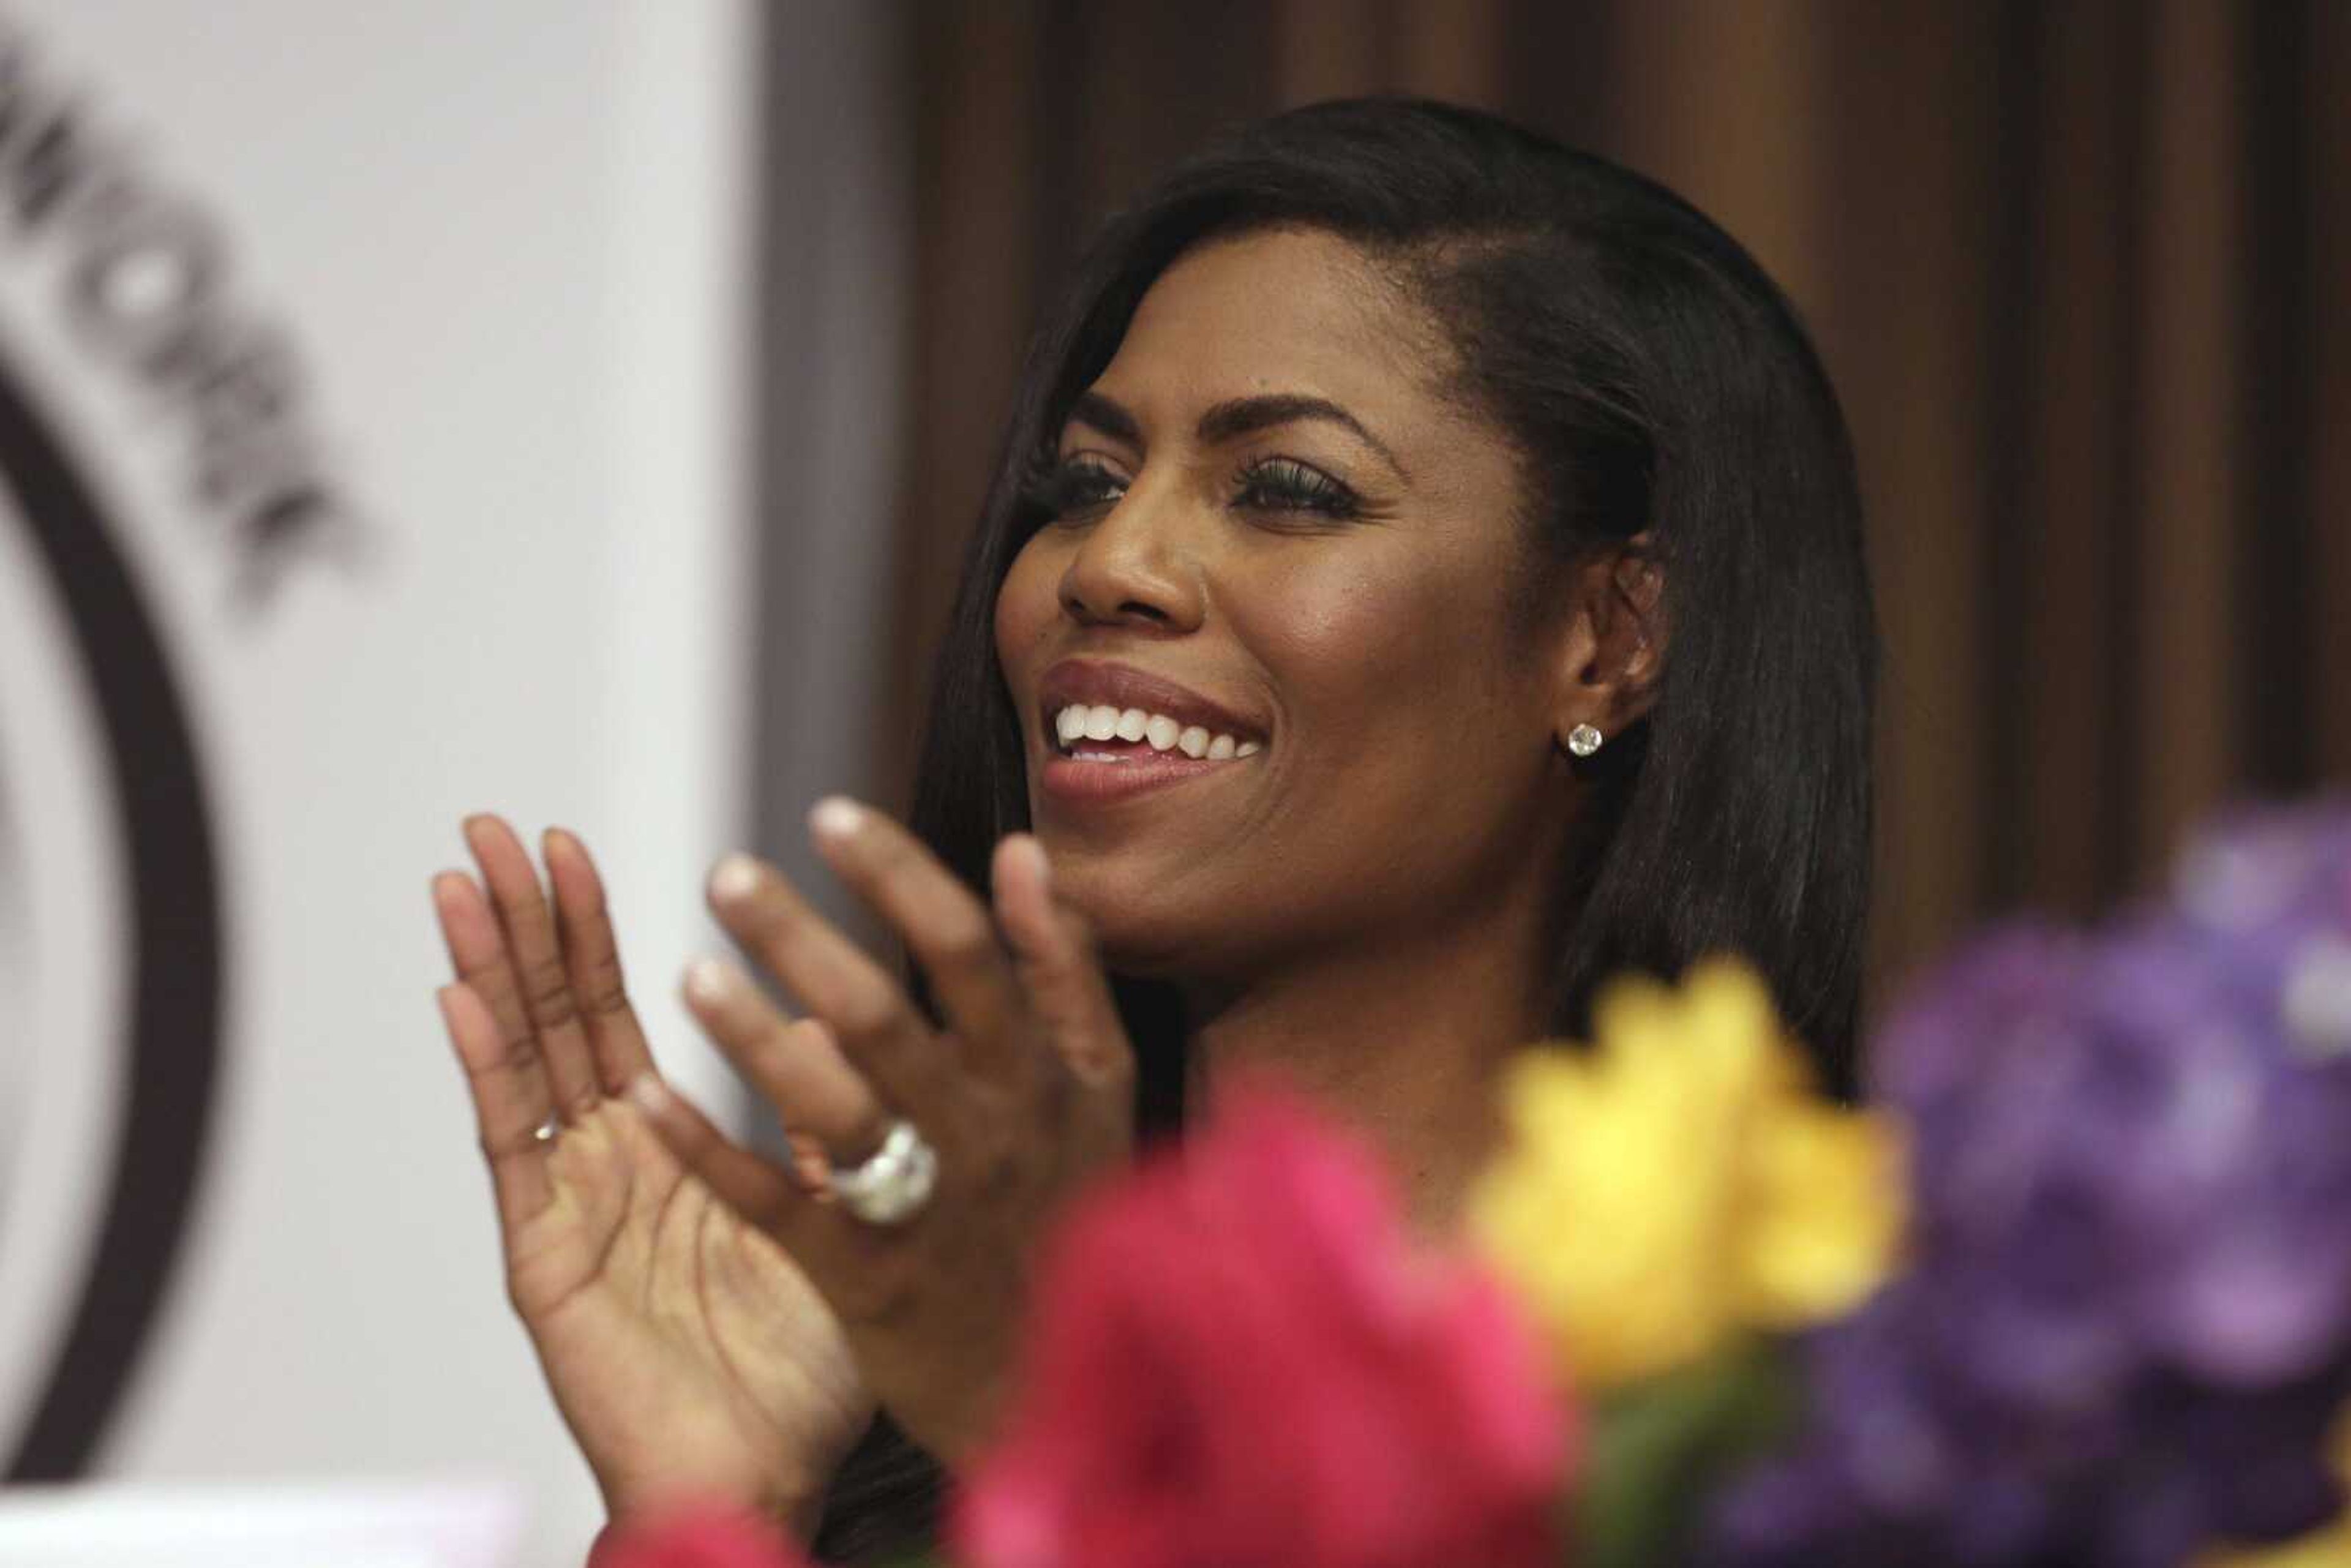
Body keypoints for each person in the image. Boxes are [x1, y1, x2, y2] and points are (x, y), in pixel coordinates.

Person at [428, 97, 1877, 1564]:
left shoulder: (1803, 1414)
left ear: (1609, 635)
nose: (1111, 562)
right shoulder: (890, 1387)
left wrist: (1053, 1436)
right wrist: (721, 1514)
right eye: (1086, 484)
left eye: (1288, 492)